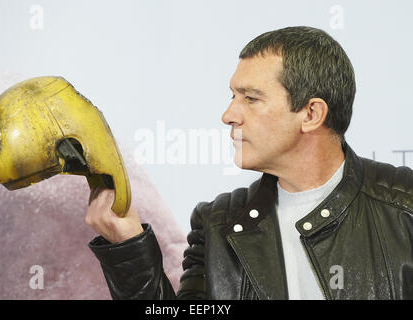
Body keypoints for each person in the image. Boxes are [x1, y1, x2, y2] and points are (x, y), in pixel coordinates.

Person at [85, 26, 413, 300]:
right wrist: (129, 249)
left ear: (311, 114)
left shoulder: (405, 204)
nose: (228, 115)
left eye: (251, 98)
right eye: (233, 96)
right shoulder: (215, 224)